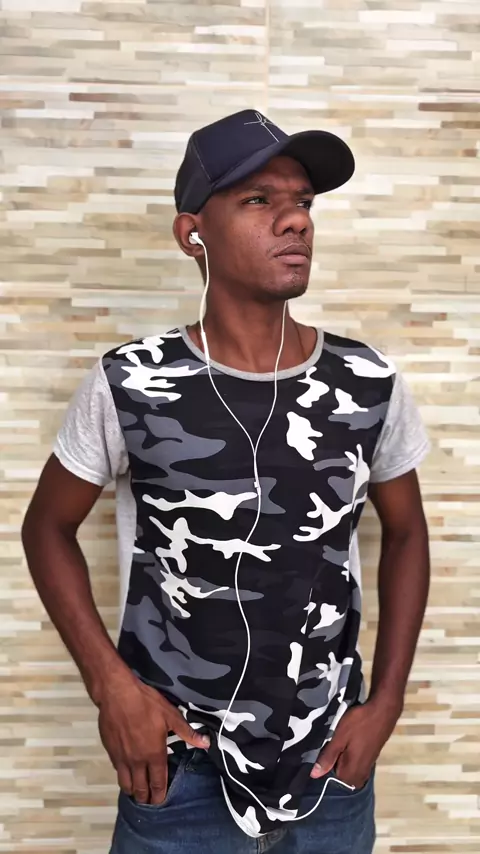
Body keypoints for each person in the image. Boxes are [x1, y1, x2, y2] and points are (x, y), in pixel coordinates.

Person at [21, 109, 430, 854]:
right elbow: (45, 528)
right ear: (193, 234)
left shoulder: (367, 380)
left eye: (302, 202)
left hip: (328, 768)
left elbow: (405, 533)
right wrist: (111, 688)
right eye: (259, 200)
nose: (295, 221)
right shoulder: (131, 381)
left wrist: (387, 703)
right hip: (178, 769)